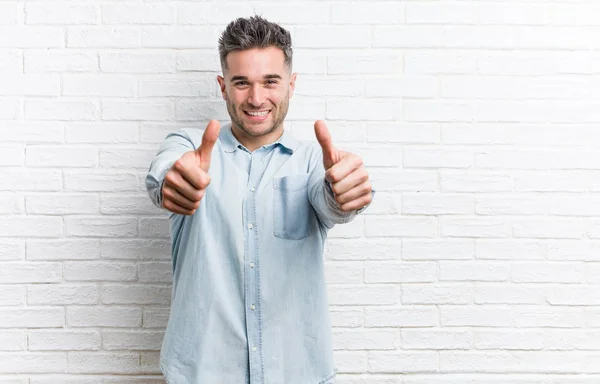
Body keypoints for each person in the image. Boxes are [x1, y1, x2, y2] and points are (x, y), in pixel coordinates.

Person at [145, 15, 374, 384]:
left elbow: (331, 198)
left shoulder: (314, 160)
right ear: (222, 87)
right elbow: (166, 175)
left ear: (291, 85)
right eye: (241, 83)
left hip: (296, 372)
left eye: (270, 81)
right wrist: (173, 183)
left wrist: (345, 195)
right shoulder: (189, 147)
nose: (256, 98)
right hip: (202, 372)